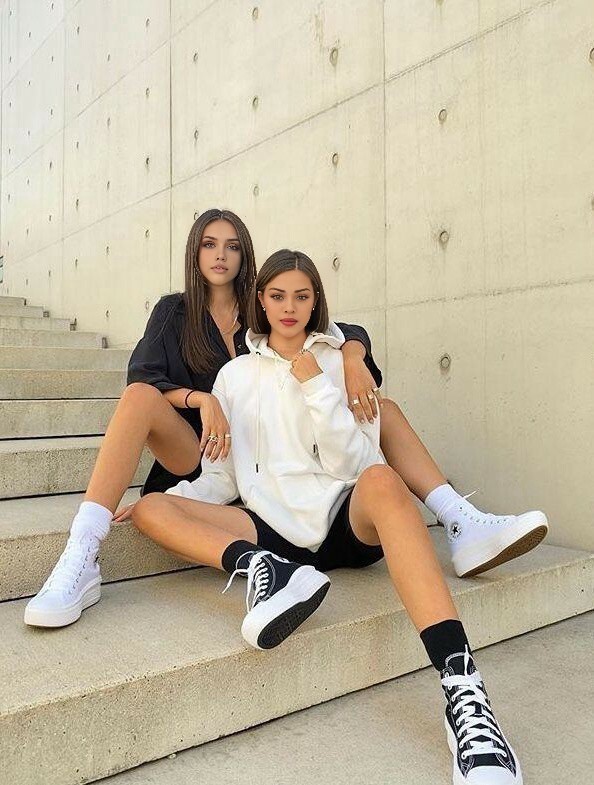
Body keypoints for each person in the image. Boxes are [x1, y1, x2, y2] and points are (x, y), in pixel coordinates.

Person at [23, 208, 547, 629]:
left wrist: (353, 354)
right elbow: (144, 377)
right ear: (195, 253)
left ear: (247, 258)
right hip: (197, 451)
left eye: (232, 245)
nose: (221, 255)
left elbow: (332, 327)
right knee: (139, 398)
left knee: (382, 410)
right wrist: (201, 400)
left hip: (268, 464)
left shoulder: (269, 309)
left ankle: (459, 518)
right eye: (210, 244)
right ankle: (82, 549)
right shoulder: (175, 313)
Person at [129, 250, 525, 784]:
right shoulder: (233, 376)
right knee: (152, 505)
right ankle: (268, 572)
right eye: (277, 296)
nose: (289, 307)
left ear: (316, 301)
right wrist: (178, 501)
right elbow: (222, 479)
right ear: (260, 301)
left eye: (302, 296)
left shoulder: (340, 364)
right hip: (271, 533)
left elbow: (355, 463)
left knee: (382, 479)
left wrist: (316, 383)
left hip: (342, 519)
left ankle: (464, 692)